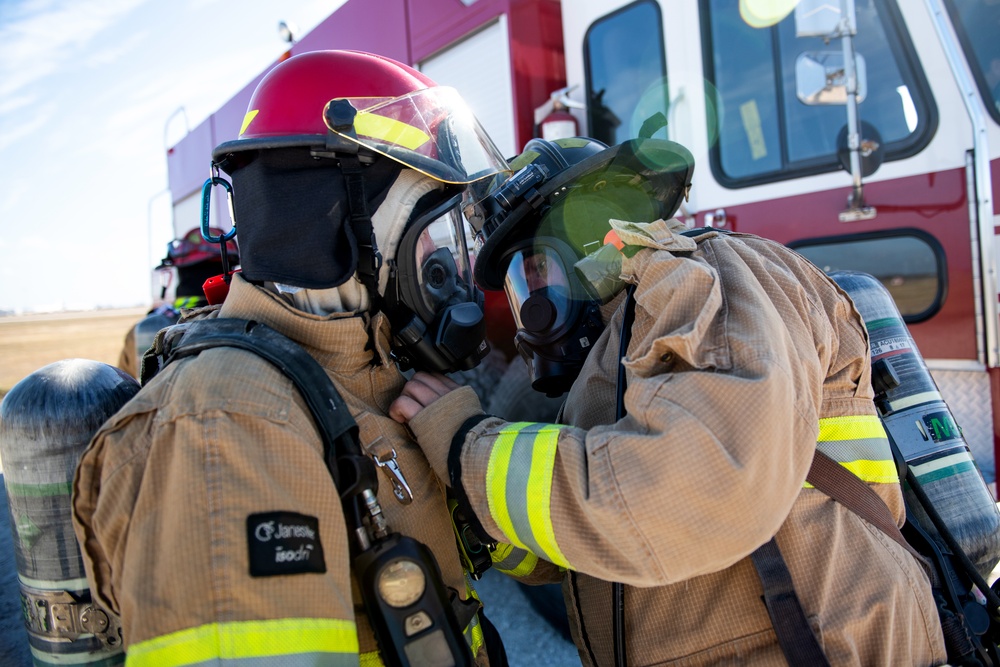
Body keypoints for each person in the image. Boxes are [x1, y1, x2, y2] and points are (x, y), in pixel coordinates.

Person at [389, 136, 948, 665]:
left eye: (538, 271)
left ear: (589, 238)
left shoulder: (713, 274)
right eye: (521, 284)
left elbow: (690, 495)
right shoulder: (619, 354)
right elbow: (595, 537)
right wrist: (466, 508)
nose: (530, 308)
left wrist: (468, 445)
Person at [72, 50, 513, 665]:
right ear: (335, 223)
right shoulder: (228, 425)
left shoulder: (364, 370)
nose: (448, 271)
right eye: (430, 231)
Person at [116, 226, 237, 379]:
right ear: (230, 268)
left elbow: (125, 387)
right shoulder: (248, 315)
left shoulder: (144, 329)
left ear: (177, 270)